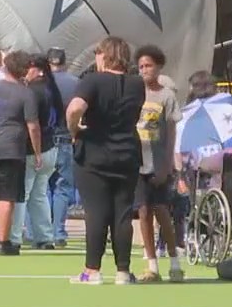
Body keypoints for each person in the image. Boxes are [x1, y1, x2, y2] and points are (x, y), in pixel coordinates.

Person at [65, 36, 144, 284]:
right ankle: (123, 270)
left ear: (104, 55)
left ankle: (92, 270)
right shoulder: (137, 83)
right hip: (127, 151)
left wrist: (74, 129)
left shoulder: (92, 80)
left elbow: (74, 107)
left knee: (96, 211)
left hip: (95, 152)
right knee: (123, 213)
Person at [0, 50, 40, 256]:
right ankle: (4, 241)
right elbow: (33, 126)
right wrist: (37, 151)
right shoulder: (25, 93)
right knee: (7, 195)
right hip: (12, 148)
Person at [132, 45, 183, 282]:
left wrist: (168, 163)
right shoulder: (134, 93)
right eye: (141, 66)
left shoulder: (166, 96)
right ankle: (151, 265)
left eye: (149, 65)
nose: (144, 70)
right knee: (143, 212)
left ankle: (174, 263)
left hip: (158, 161)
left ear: (159, 66)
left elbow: (172, 131)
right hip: (138, 161)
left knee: (162, 211)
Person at [10, 53, 63, 250]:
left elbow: (33, 125)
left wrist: (37, 151)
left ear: (37, 69)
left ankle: (13, 236)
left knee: (21, 194)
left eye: (28, 68)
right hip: (51, 146)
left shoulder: (32, 91)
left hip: (34, 148)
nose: (26, 72)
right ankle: (45, 237)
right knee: (39, 194)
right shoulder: (51, 88)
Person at [47, 48, 79, 248]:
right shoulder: (76, 83)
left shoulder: (40, 83)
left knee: (40, 188)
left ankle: (38, 231)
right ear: (64, 62)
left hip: (44, 139)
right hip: (67, 138)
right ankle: (58, 232)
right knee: (62, 187)